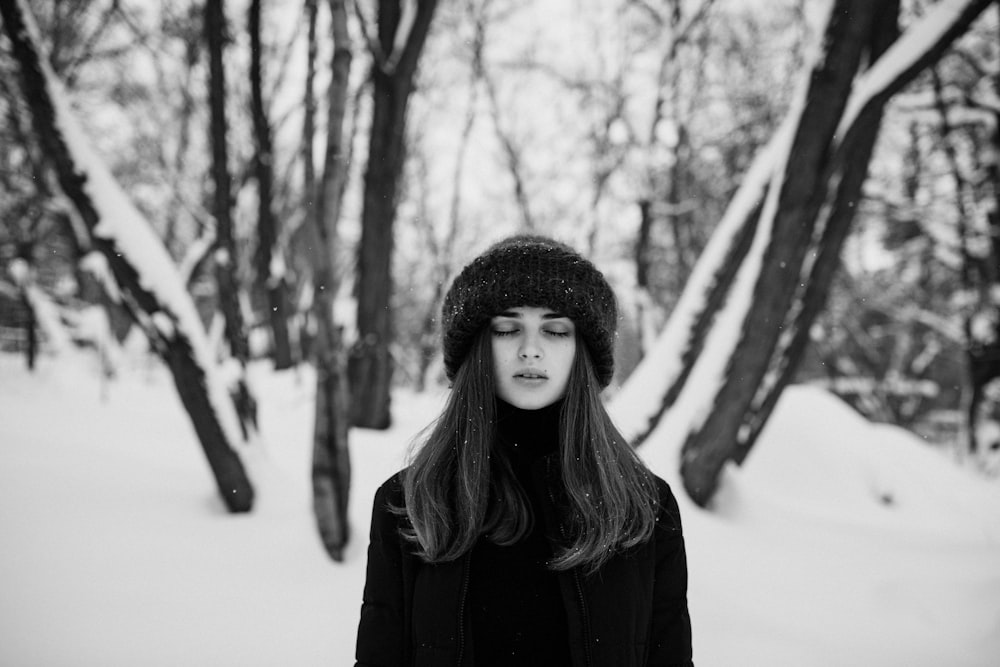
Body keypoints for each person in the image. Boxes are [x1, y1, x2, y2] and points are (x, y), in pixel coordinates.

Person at [355, 235, 693, 667]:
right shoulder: (410, 503)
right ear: (477, 345)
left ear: (582, 351)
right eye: (507, 328)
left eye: (555, 330)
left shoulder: (643, 507)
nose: (530, 349)